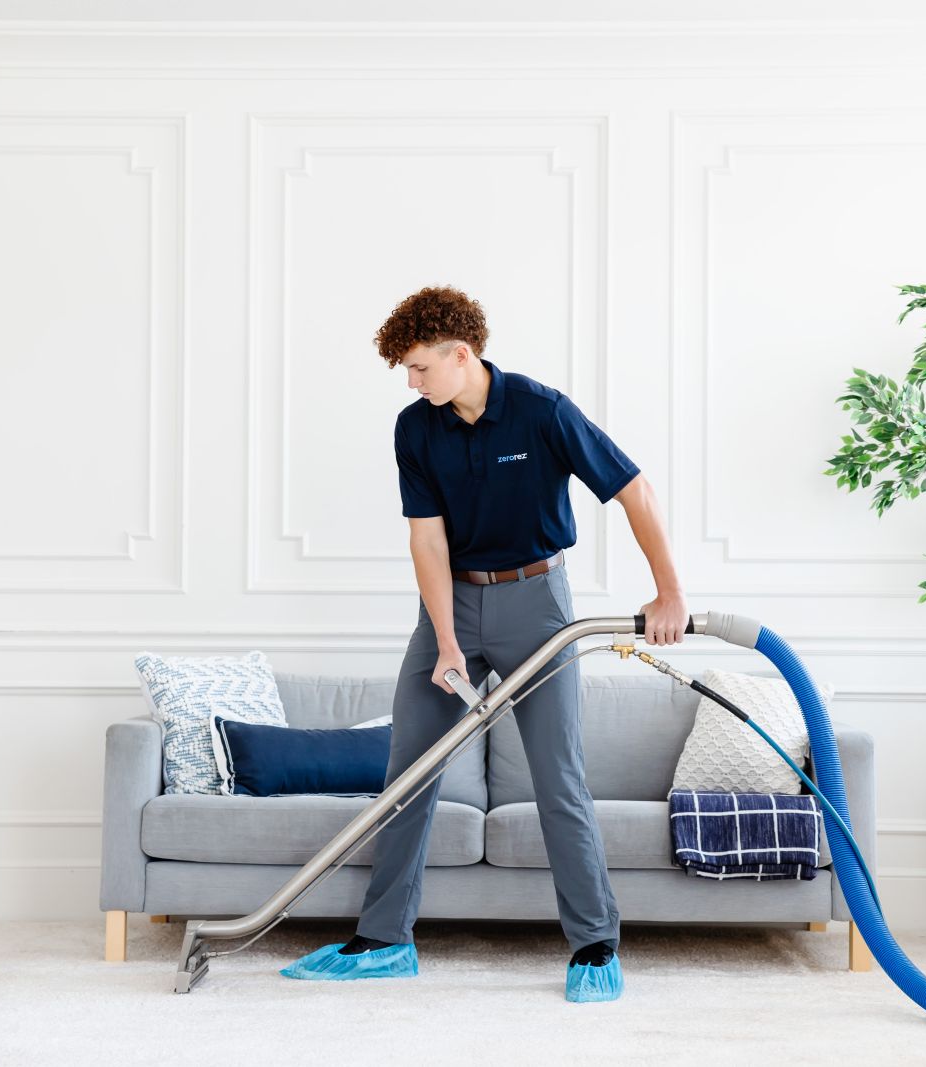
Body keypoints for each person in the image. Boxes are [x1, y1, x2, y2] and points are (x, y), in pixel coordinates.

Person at [281, 285, 689, 1002]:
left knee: (556, 776)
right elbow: (426, 539)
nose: (411, 382)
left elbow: (635, 491)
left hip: (537, 603)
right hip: (452, 604)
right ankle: (384, 942)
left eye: (419, 367)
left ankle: (595, 946)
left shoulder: (542, 410)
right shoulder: (416, 428)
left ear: (461, 355)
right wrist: (445, 642)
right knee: (409, 772)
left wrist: (670, 593)